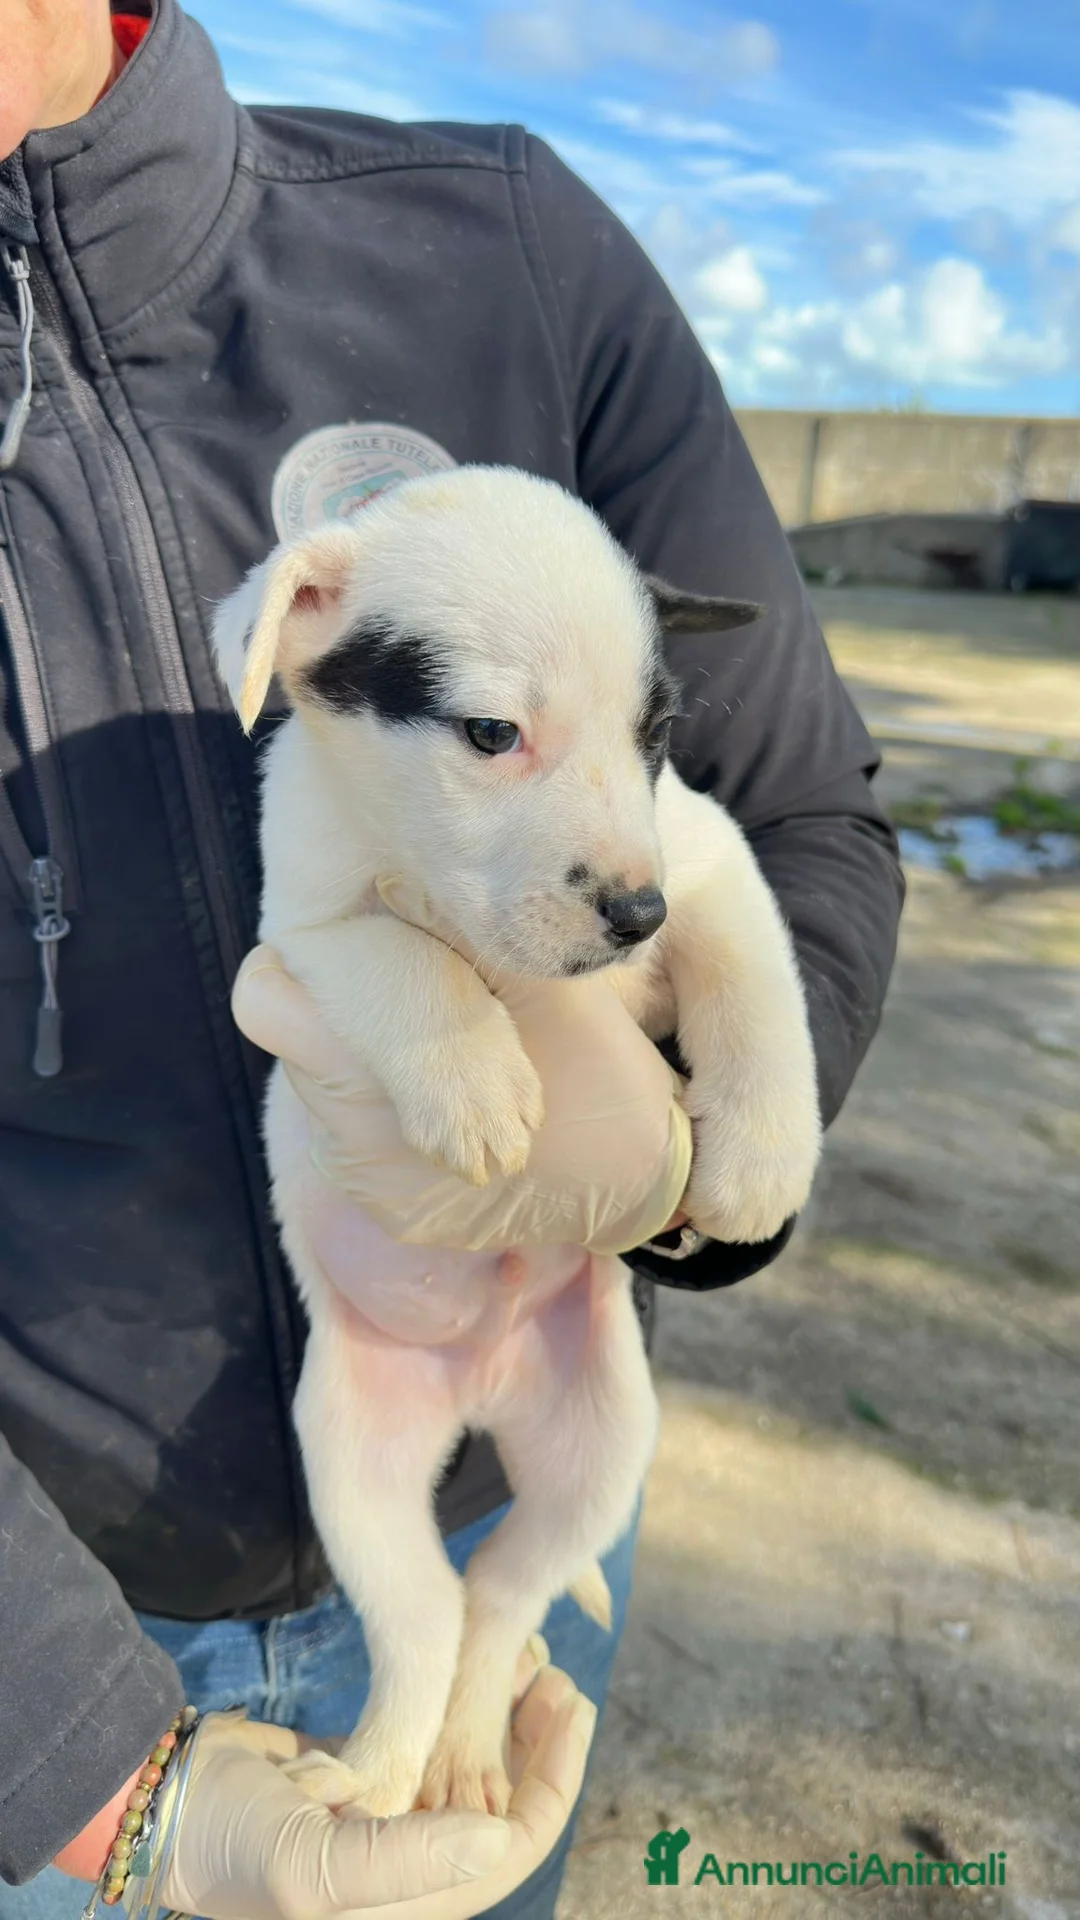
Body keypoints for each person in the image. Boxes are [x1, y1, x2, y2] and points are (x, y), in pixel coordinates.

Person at [0, 1, 905, 1915]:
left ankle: (484, 1629)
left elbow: (791, 820)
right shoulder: (321, 656)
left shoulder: (499, 245)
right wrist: (85, 1772)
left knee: (549, 1543)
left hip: (517, 1463)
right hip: (62, 1638)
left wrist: (701, 1170)